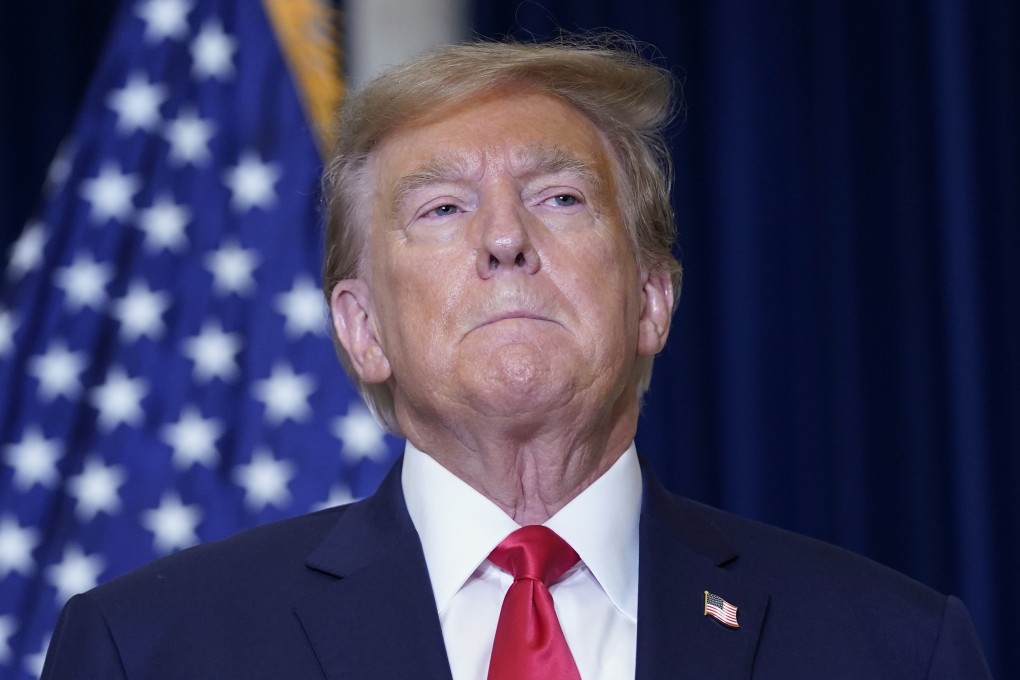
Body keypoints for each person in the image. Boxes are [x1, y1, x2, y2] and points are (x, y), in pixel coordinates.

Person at [42, 37, 992, 680]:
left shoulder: (894, 649)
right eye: (442, 208)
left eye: (560, 198)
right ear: (362, 329)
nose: (505, 239)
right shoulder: (154, 650)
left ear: (652, 300)